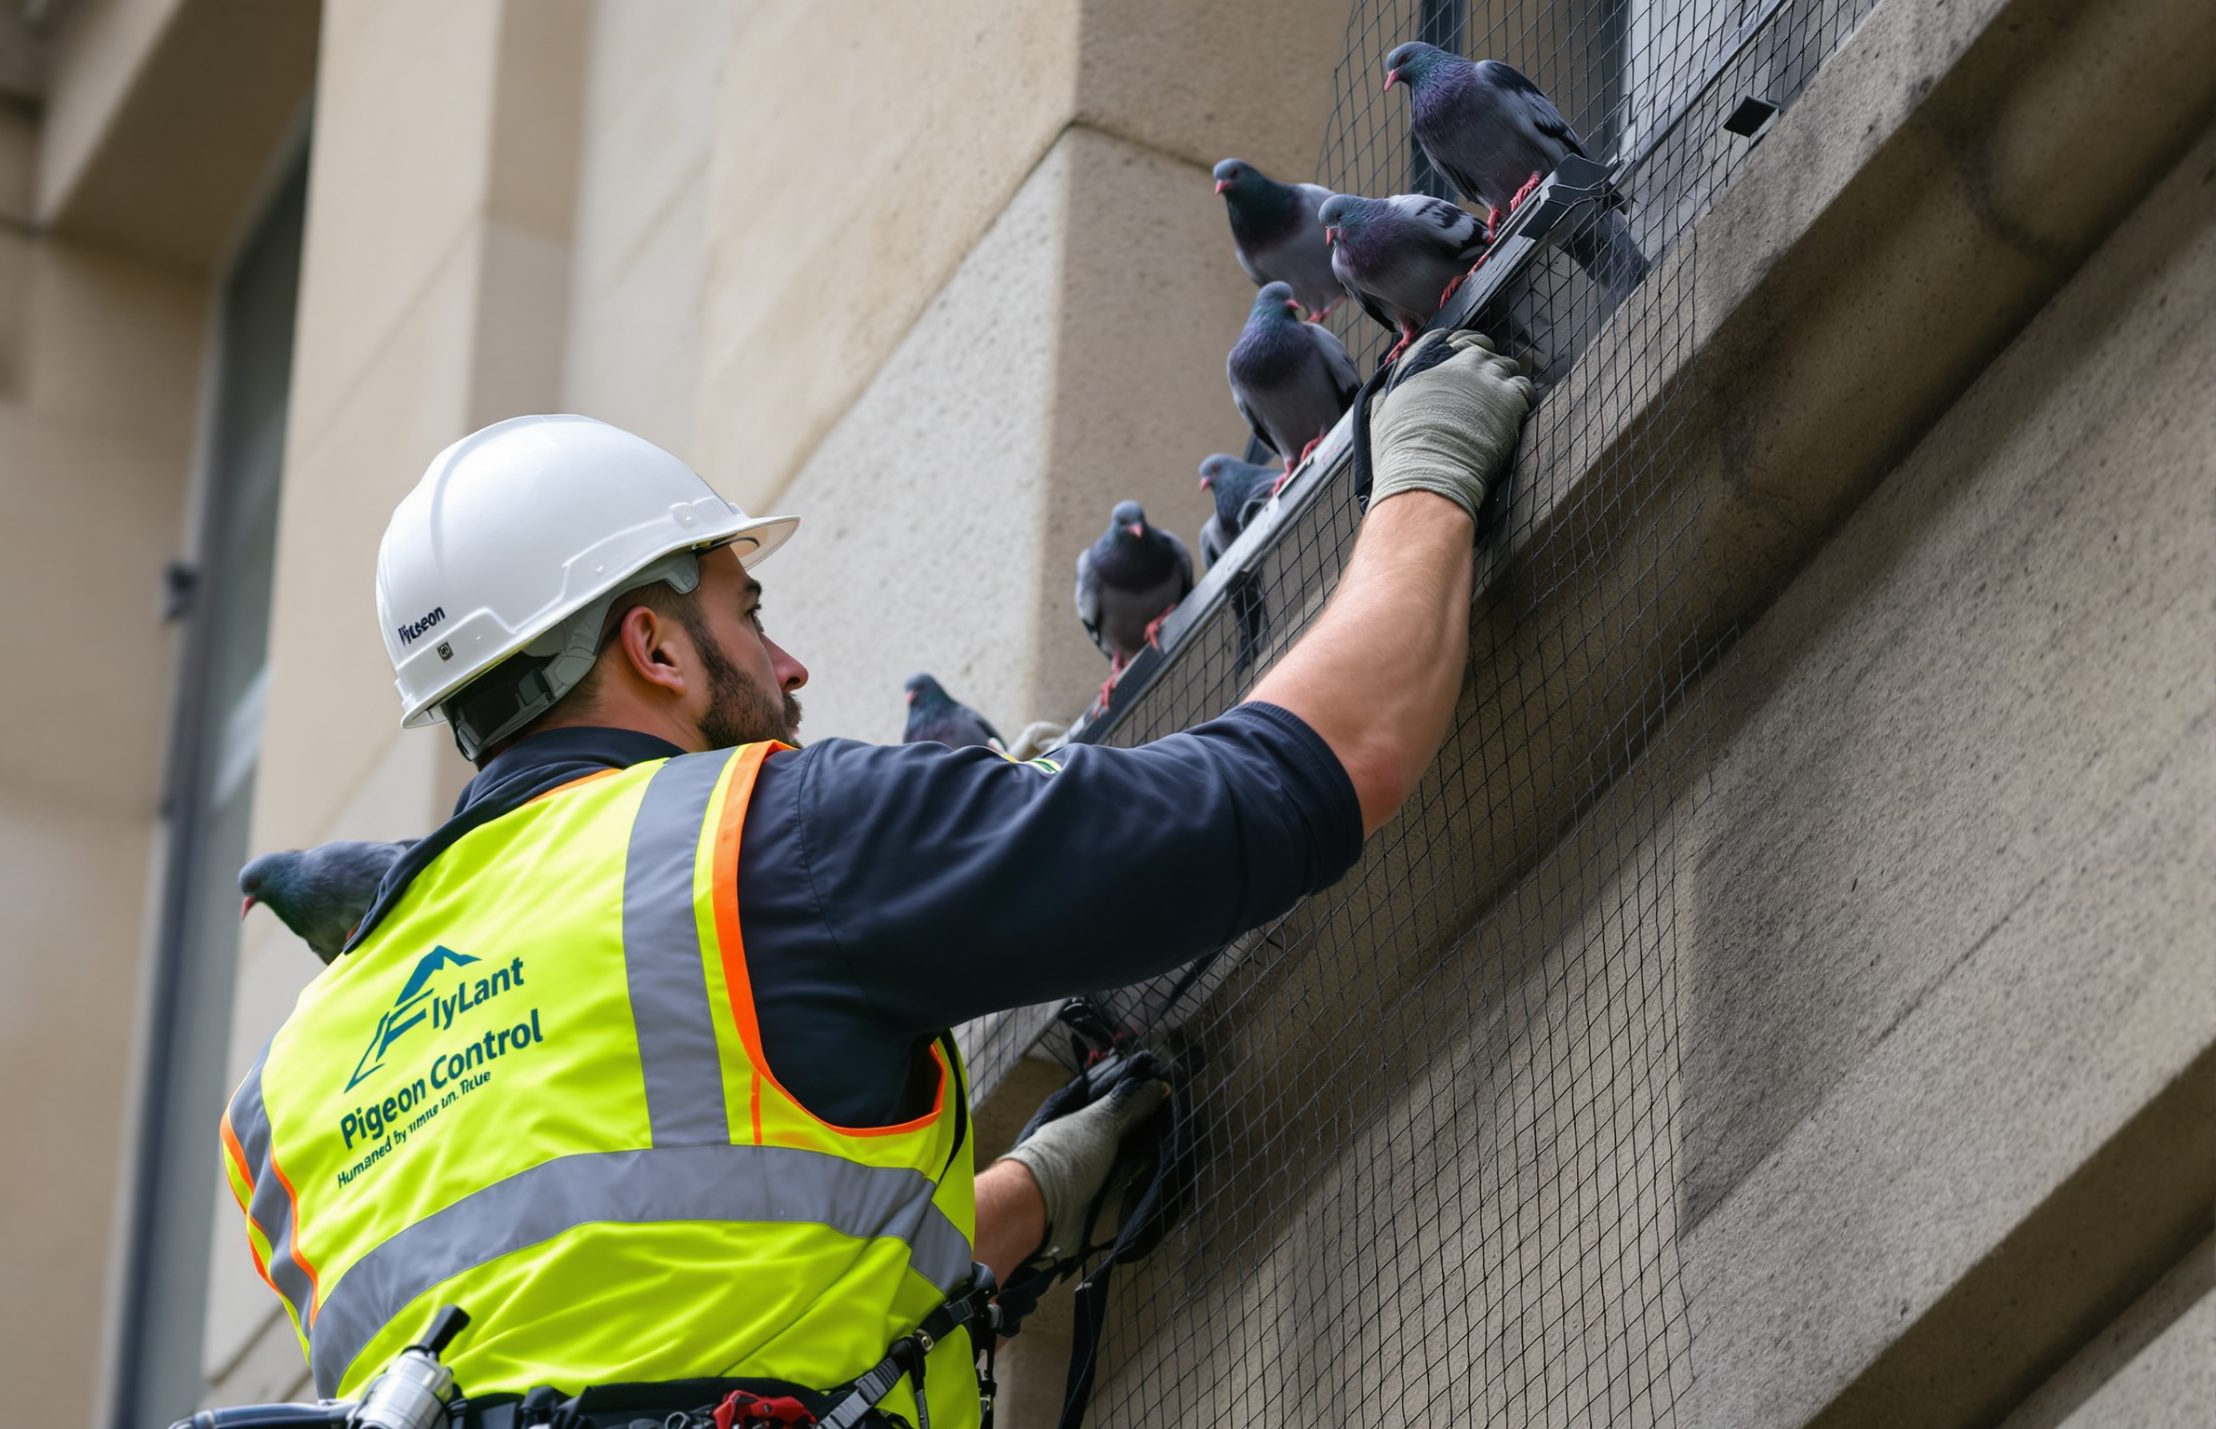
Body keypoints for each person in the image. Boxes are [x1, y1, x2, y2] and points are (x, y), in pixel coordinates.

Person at [219, 332, 1536, 1427]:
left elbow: (646, 1328)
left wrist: (1028, 1199)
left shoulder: (284, 1102)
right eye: (748, 610)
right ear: (653, 646)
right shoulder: (761, 840)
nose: (789, 666)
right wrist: (1424, 473)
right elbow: (1302, 779)